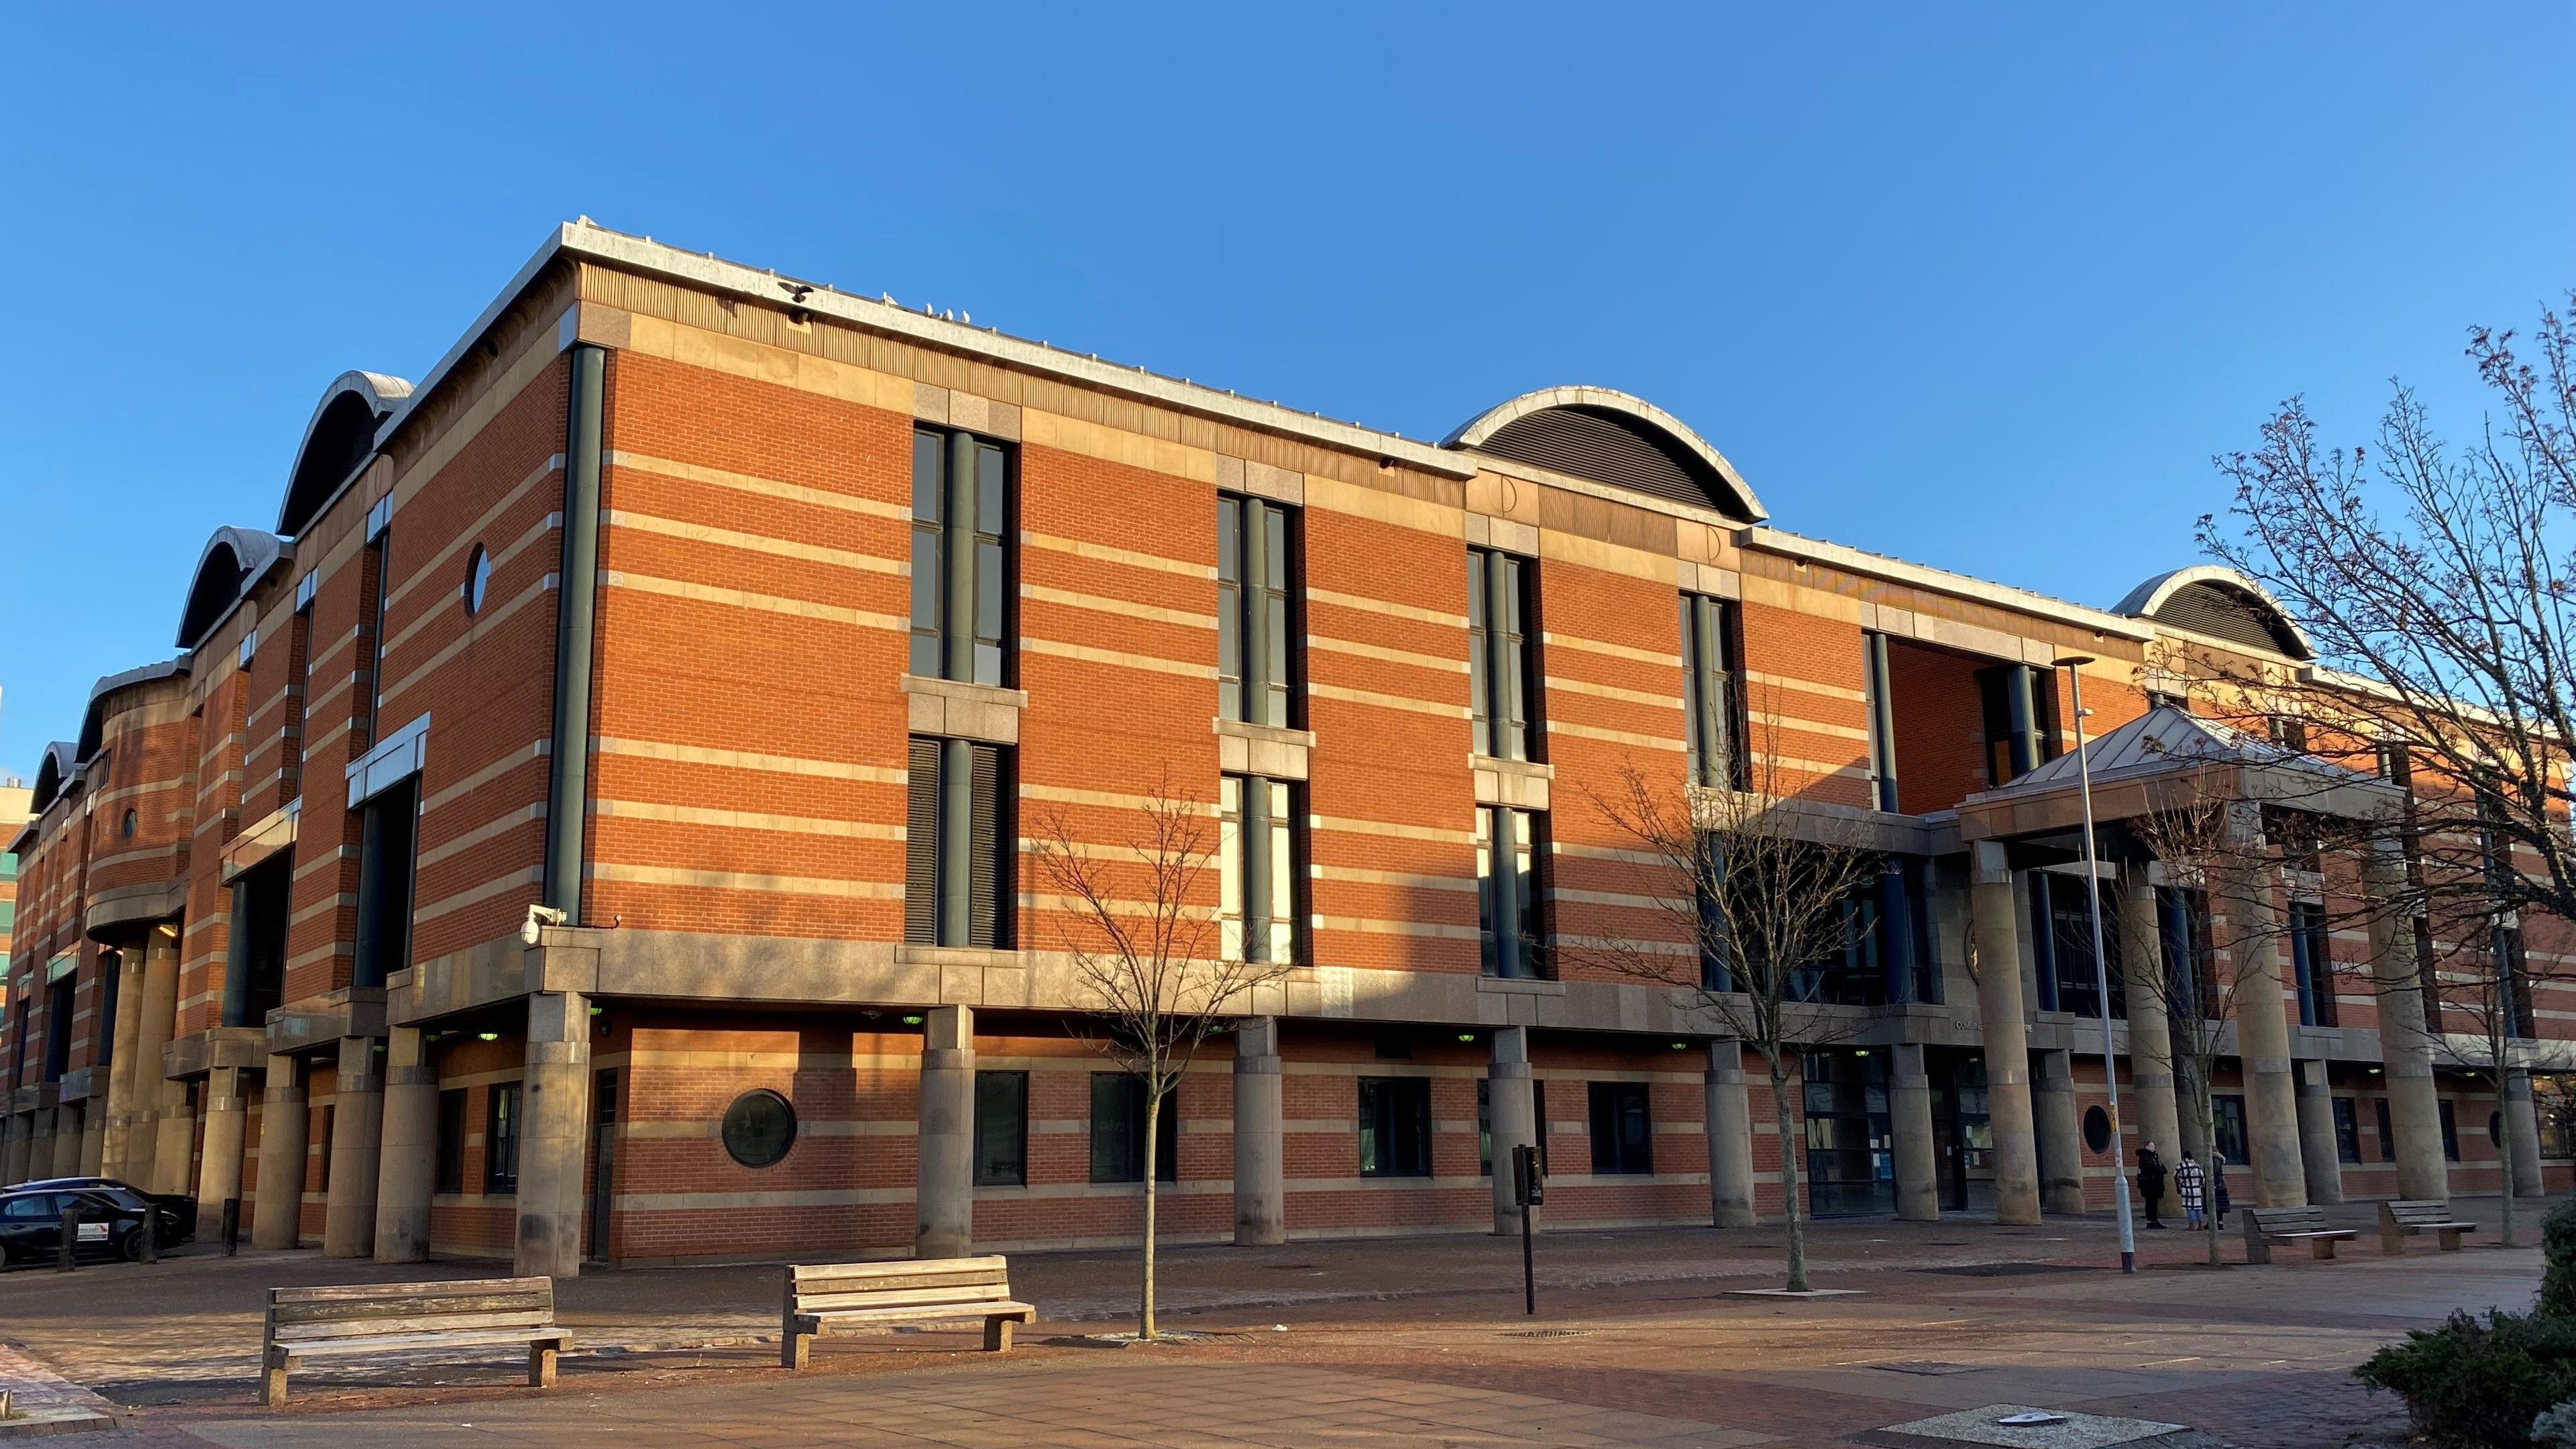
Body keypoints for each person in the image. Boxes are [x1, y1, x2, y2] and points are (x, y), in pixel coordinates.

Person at [2135, 1143, 2169, 1229]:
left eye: (2153, 1146)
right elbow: (2153, 1168)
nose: (2152, 1148)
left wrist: (2159, 1171)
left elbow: (2164, 1169)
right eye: (2150, 1146)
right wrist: (2159, 1171)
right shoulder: (2144, 1157)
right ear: (2146, 1147)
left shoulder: (2155, 1157)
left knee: (2154, 1203)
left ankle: (2155, 1220)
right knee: (2150, 1203)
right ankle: (2151, 1221)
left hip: (2156, 1184)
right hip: (2149, 1184)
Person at [2174, 1151, 2206, 1229]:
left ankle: (2191, 1225)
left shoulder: (2180, 1166)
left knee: (2190, 1207)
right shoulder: (2196, 1165)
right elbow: (2202, 1177)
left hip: (2187, 1189)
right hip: (2197, 1189)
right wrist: (2200, 1185)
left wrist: (2180, 1185)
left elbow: (2176, 1176)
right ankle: (2200, 1224)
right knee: (2198, 1207)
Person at [2210, 1149, 2233, 1228]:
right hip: (2221, 1185)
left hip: (2217, 1186)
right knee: (2220, 1206)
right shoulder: (2219, 1159)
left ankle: (2217, 1223)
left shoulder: (2214, 1160)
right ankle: (2219, 1223)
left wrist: (2213, 1185)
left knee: (2216, 1205)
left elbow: (2214, 1173)